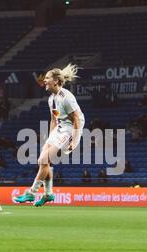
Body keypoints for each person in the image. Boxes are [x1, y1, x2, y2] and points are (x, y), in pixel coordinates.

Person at [13, 63, 85, 207]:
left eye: (47, 78)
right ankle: (48, 194)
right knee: (42, 160)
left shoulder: (66, 97)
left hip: (71, 128)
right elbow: (54, 119)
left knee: (45, 159)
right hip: (60, 127)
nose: (44, 80)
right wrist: (50, 139)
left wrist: (75, 140)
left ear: (56, 81)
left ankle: (31, 193)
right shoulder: (51, 99)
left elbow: (76, 119)